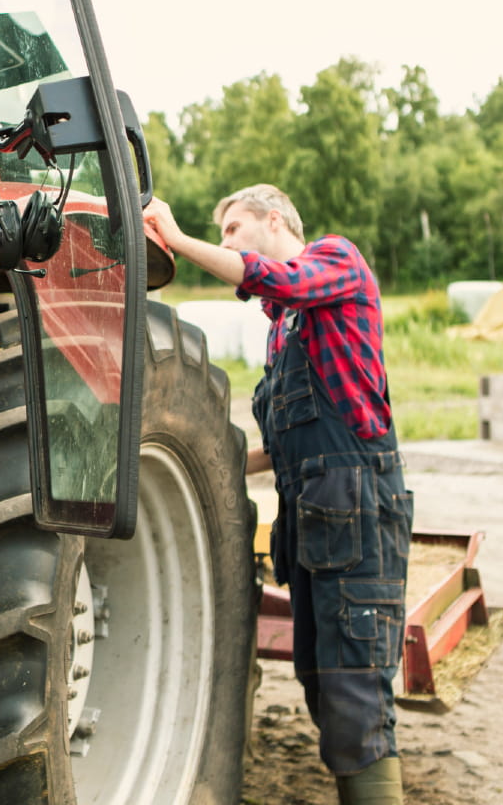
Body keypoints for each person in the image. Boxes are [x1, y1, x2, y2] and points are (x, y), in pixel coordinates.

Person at [142, 184, 411, 805]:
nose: (228, 241)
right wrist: (200, 459)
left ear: (273, 219)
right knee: (320, 682)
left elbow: (278, 279)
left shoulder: (336, 262)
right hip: (317, 521)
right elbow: (282, 447)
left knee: (355, 689)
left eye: (234, 228)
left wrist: (178, 240)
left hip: (358, 511)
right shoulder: (283, 330)